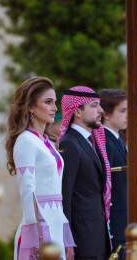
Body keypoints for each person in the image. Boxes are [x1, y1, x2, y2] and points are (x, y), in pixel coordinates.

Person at [5, 77, 75, 260]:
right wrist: (37, 236)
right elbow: (28, 190)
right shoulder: (25, 141)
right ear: (30, 107)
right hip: (40, 231)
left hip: (56, 226)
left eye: (55, 102)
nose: (55, 108)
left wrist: (66, 237)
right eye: (48, 102)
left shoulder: (47, 141)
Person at [59, 86, 112, 260]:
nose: (101, 111)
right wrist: (67, 241)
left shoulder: (90, 142)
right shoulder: (69, 144)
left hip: (96, 237)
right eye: (94, 105)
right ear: (78, 112)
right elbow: (65, 196)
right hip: (81, 240)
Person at [99, 89, 127, 260]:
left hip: (124, 220)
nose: (127, 116)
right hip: (114, 223)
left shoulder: (116, 140)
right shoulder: (105, 142)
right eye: (122, 111)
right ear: (106, 114)